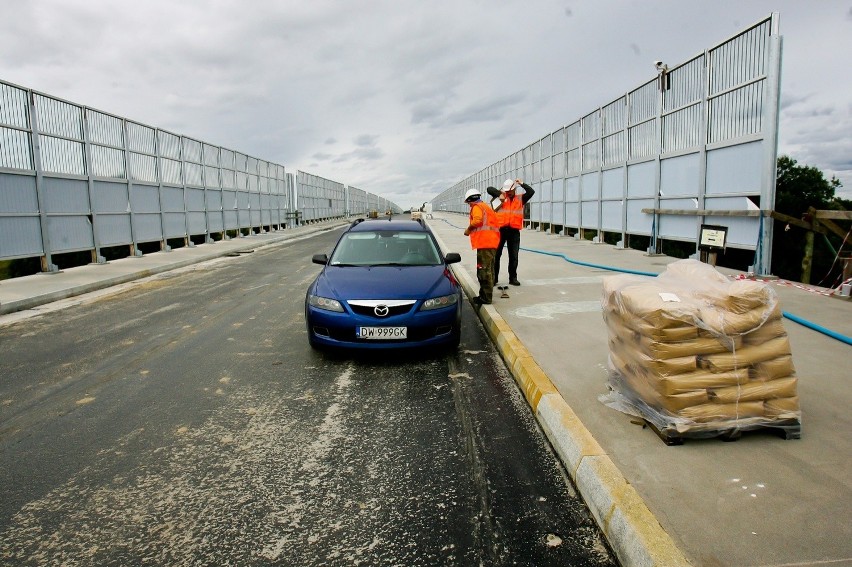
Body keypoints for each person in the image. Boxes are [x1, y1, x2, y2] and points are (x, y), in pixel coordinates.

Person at [486, 178, 535, 286]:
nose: (508, 193)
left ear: (514, 189)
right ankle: (494, 279)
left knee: (513, 256)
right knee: (496, 255)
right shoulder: (500, 198)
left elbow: (531, 192)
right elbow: (489, 189)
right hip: (500, 231)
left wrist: (522, 183)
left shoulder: (520, 199)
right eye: (506, 191)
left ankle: (513, 278)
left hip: (514, 232)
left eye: (510, 191)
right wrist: (500, 194)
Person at [463, 188, 500, 305]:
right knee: (489, 269)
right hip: (491, 242)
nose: (469, 205)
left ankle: (485, 298)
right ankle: (486, 295)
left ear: (470, 200)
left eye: (468, 203)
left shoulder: (477, 207)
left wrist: (468, 230)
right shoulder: (486, 207)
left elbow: (477, 221)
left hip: (485, 243)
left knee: (483, 270)